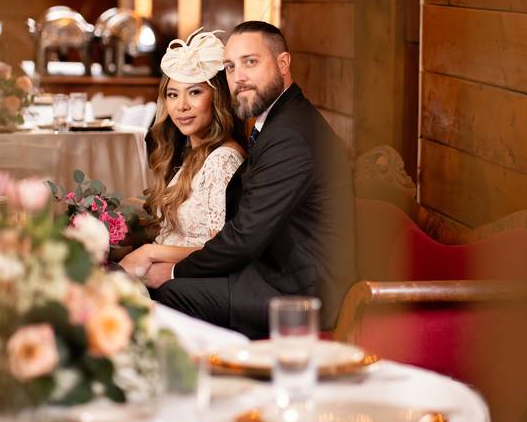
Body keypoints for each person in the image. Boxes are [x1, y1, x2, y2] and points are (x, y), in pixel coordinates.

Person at [145, 21, 356, 339]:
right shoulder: (277, 121)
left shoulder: (291, 135)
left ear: (283, 63)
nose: (238, 77)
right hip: (274, 272)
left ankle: (210, 382)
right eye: (230, 67)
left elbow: (245, 238)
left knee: (172, 292)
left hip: (302, 290)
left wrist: (173, 270)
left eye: (250, 62)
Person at [119, 29, 246, 277]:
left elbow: (218, 252)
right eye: (173, 95)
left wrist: (149, 253)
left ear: (217, 98)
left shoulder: (222, 160)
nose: (181, 106)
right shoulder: (193, 151)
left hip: (183, 282)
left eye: (195, 92)